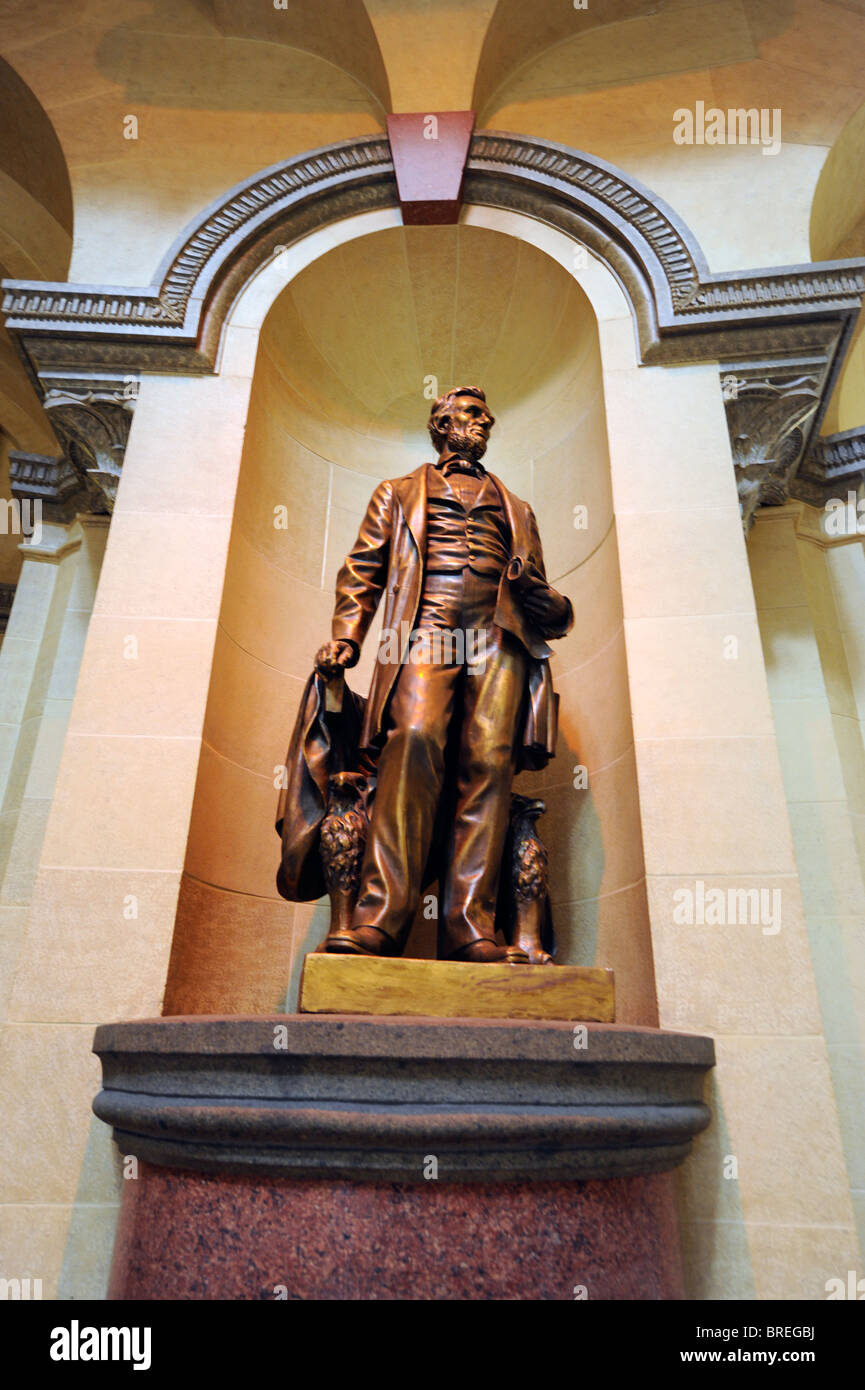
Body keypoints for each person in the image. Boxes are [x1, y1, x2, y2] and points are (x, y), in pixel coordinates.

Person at [313, 386, 572, 962]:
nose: (485, 421)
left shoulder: (518, 509)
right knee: (412, 741)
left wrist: (542, 596)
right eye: (473, 413)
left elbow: (548, 609)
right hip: (426, 628)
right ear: (442, 423)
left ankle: (470, 926)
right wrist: (347, 637)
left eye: (487, 415)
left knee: (489, 762)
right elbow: (362, 570)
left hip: (498, 635)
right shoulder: (398, 492)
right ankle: (382, 916)